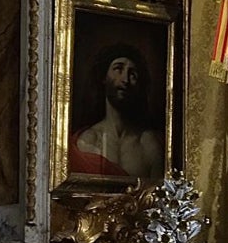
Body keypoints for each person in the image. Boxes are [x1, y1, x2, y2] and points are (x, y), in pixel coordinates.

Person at [69, 43, 165, 178]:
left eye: (133, 74)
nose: (125, 79)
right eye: (118, 69)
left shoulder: (150, 144)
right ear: (104, 77)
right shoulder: (86, 141)